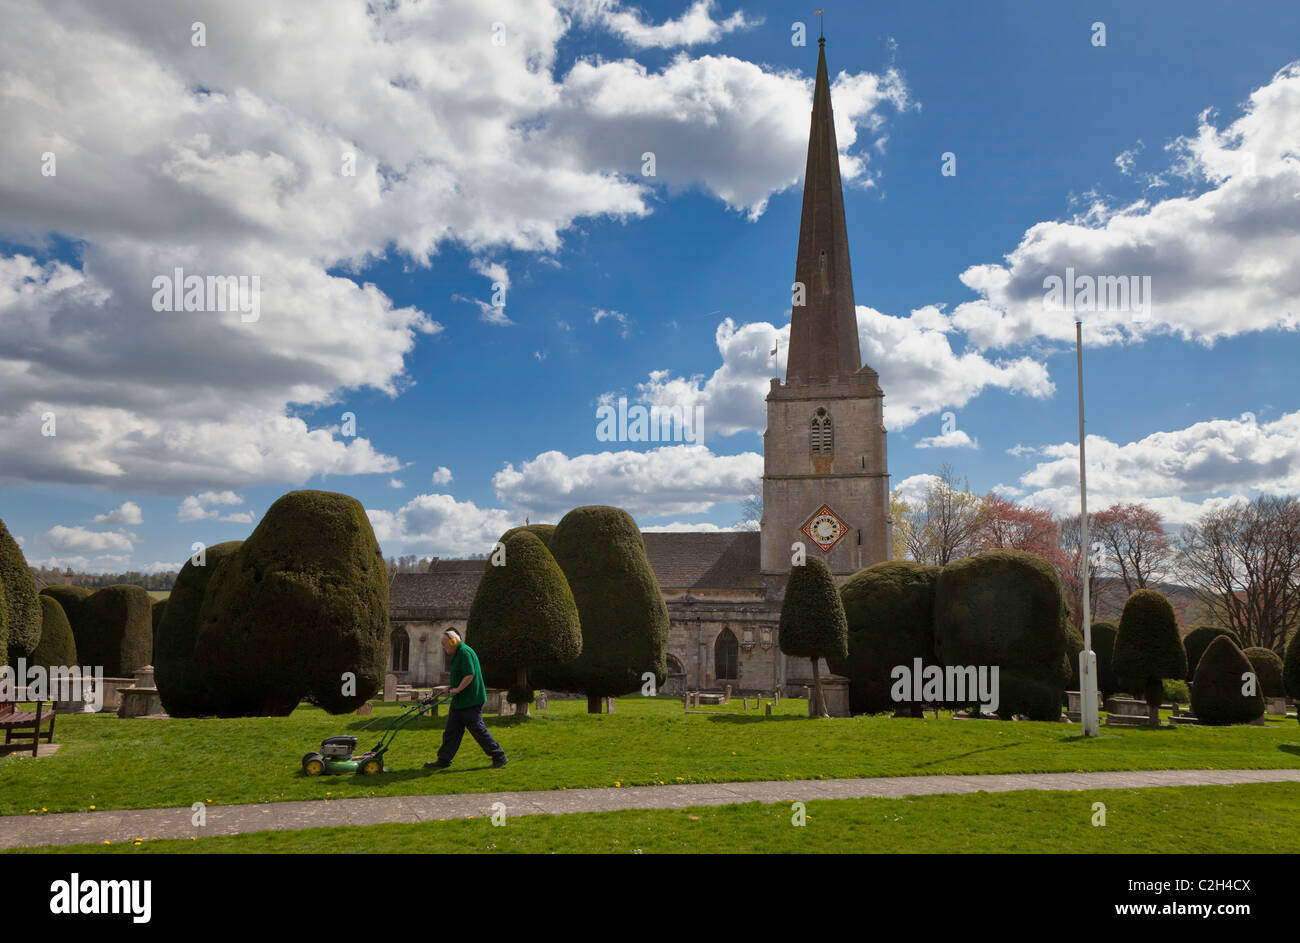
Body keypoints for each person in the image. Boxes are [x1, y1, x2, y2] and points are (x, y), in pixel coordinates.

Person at [425, 629, 507, 770]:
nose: (444, 648)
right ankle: (444, 759)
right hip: (460, 701)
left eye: (445, 645)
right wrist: (451, 686)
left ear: (453, 641)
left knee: (477, 730)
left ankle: (499, 756)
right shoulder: (458, 654)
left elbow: (469, 674)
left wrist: (458, 689)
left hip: (470, 700)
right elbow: (461, 675)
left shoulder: (464, 653)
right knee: (452, 731)